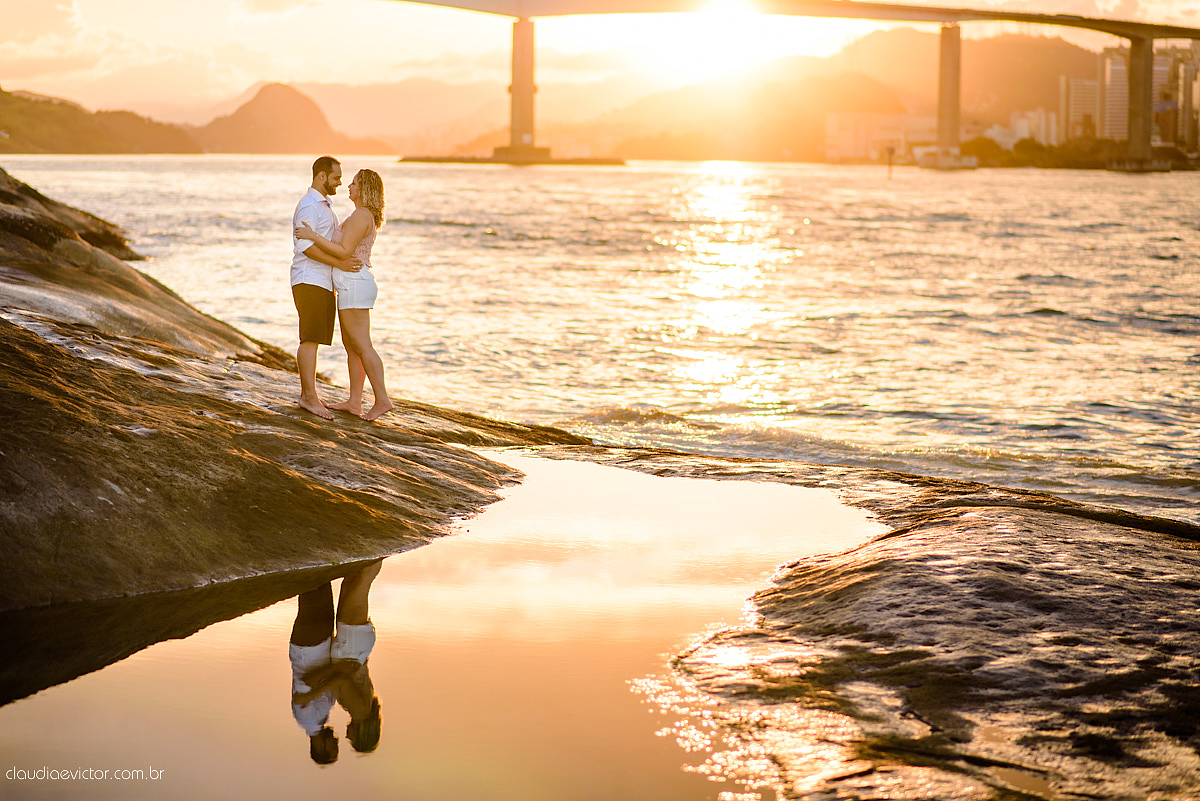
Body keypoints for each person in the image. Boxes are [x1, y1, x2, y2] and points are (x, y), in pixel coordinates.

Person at [295, 168, 393, 422]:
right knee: (352, 347)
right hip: (350, 284)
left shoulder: (361, 215)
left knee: (362, 345)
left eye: (354, 183)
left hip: (354, 283)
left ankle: (382, 400)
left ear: (365, 189)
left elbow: (344, 250)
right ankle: (354, 401)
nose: (349, 186)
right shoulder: (360, 214)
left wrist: (312, 236)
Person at [290, 156, 361, 420]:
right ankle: (308, 397)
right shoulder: (310, 206)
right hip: (309, 278)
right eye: (336, 178)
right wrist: (339, 263)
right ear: (321, 176)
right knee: (309, 337)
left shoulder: (323, 206)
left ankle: (310, 394)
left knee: (314, 338)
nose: (340, 183)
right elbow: (305, 247)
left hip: (320, 281)